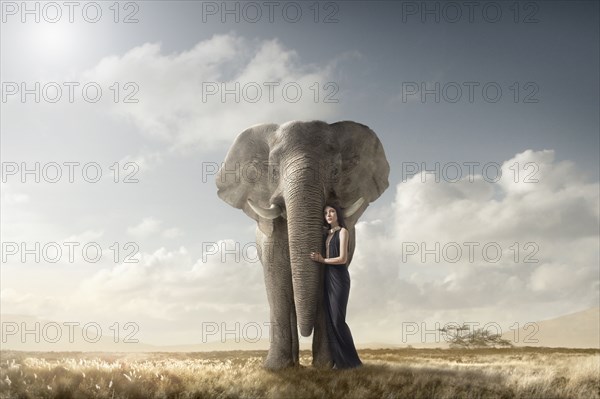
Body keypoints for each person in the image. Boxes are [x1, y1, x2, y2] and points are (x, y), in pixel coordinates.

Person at [310, 204, 363, 369]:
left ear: (338, 214)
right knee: (330, 321)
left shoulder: (343, 232)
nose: (328, 215)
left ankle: (353, 362)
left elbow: (342, 258)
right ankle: (339, 362)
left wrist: (322, 260)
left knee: (338, 320)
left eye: (331, 211)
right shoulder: (328, 234)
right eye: (325, 213)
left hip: (339, 277)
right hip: (327, 277)